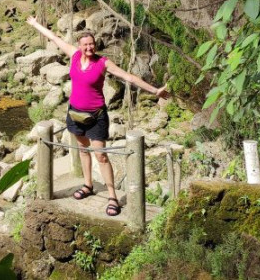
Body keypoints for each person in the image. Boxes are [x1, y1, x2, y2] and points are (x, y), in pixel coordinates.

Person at [26, 15, 169, 217]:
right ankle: (88, 185)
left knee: (100, 155)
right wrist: (35, 24)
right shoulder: (74, 55)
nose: (89, 48)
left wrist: (154, 91)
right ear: (79, 45)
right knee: (83, 151)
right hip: (75, 113)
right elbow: (55, 39)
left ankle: (112, 196)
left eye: (92, 44)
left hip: (96, 116)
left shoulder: (103, 63)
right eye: (86, 44)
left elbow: (128, 77)